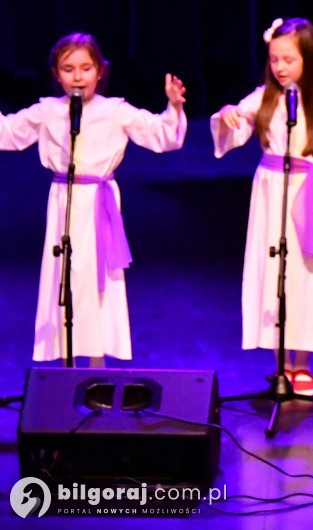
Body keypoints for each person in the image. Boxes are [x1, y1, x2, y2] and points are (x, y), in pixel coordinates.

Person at [211, 18, 313, 396]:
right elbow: (234, 130)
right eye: (274, 60)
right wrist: (227, 117)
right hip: (272, 190)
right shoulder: (263, 97)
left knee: (307, 269)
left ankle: (301, 362)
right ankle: (279, 363)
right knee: (273, 268)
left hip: (311, 189)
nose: (280, 67)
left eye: (289, 59)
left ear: (308, 59)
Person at [0, 33, 186, 366]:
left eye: (86, 68)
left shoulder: (115, 111)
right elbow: (9, 133)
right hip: (64, 200)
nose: (77, 76)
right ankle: (64, 365)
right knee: (65, 276)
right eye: (68, 68)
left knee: (98, 279)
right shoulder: (48, 111)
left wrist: (174, 106)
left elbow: (161, 135)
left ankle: (96, 365)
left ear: (99, 72)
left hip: (99, 202)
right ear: (57, 74)